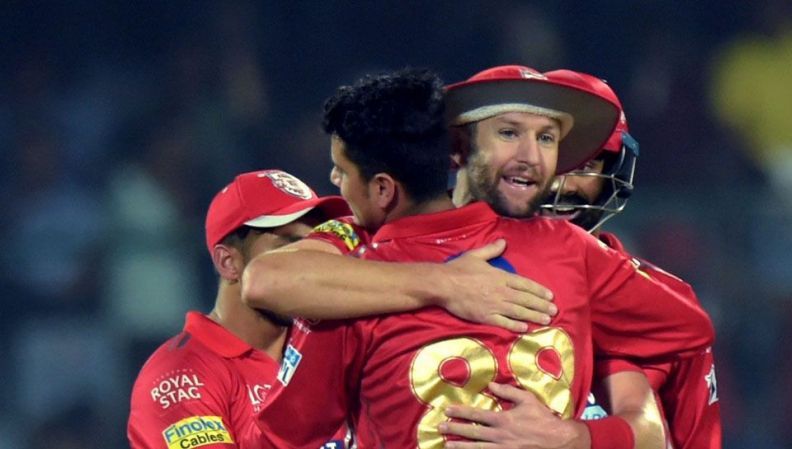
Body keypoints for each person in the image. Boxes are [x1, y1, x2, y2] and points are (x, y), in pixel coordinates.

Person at [242, 67, 714, 449]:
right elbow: (265, 278)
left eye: (548, 139)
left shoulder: (348, 286)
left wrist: (575, 436)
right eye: (509, 133)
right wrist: (443, 283)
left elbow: (283, 434)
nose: (533, 157)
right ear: (458, 149)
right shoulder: (567, 248)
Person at [127, 167, 559, 449]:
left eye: (316, 244)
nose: (308, 259)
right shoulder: (181, 374)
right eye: (289, 246)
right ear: (229, 261)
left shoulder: (330, 340)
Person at [440, 69, 720, 449]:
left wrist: (573, 438)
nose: (562, 183)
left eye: (587, 165)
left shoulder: (658, 309)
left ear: (613, 175)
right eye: (559, 159)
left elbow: (668, 436)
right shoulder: (396, 255)